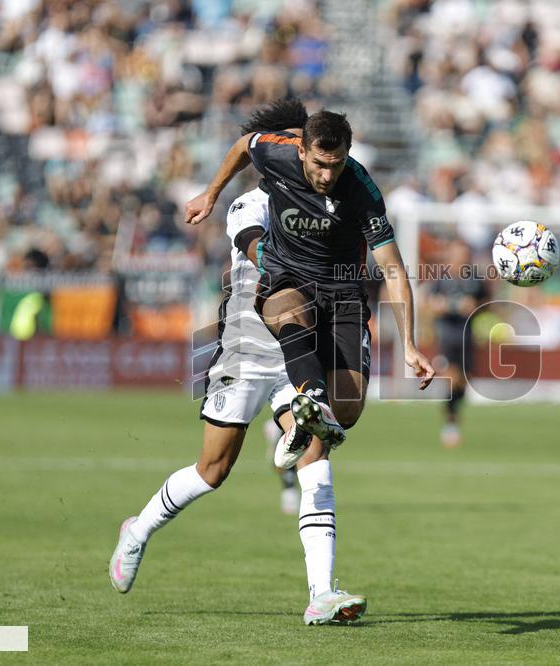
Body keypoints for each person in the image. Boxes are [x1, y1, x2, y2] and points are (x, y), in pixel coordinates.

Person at [109, 100, 363, 626]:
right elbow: (258, 253)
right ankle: (137, 531)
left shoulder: (328, 199)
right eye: (290, 143)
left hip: (303, 350)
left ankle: (322, 593)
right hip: (248, 348)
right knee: (213, 469)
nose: (299, 156)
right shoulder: (251, 203)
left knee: (315, 453)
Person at [183, 104, 435, 620]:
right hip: (287, 283)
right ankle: (304, 408)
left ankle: (308, 415)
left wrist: (408, 343)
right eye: (319, 165)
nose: (326, 176)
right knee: (284, 310)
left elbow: (391, 266)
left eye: (336, 165)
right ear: (301, 151)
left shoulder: (360, 188)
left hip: (343, 298)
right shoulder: (276, 155)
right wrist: (211, 193)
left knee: (346, 414)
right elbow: (243, 145)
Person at [423, 239, 488, 447]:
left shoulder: (475, 279)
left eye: (465, 254)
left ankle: (453, 416)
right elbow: (430, 304)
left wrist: (474, 306)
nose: (462, 258)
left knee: (464, 380)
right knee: (452, 377)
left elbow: (487, 303)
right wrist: (443, 306)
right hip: (447, 334)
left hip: (467, 335)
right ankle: (450, 424)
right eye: (458, 254)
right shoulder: (441, 279)